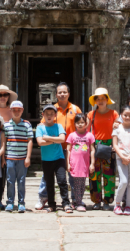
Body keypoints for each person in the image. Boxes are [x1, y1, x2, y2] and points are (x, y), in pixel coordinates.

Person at [36, 82, 83, 210]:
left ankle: (74, 200)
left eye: (64, 92)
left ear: (69, 93)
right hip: (53, 149)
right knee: (47, 178)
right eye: (59, 92)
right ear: (56, 94)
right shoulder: (51, 109)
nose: (62, 94)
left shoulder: (75, 109)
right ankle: (43, 198)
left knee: (69, 176)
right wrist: (53, 140)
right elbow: (42, 127)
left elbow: (82, 124)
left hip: (70, 147)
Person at [87, 87, 119, 210]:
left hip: (109, 145)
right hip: (95, 145)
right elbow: (87, 131)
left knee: (109, 175)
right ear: (95, 101)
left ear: (107, 100)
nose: (100, 101)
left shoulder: (114, 113)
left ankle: (107, 201)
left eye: (102, 98)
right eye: (98, 99)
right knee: (94, 175)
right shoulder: (91, 114)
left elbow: (119, 130)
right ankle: (96, 201)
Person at [35, 104, 72, 213]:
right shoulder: (40, 127)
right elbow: (40, 142)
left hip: (59, 158)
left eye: (52, 114)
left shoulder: (58, 126)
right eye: (47, 114)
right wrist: (54, 139)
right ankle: (52, 204)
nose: (49, 116)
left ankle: (66, 203)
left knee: (62, 181)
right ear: (43, 115)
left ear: (55, 115)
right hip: (46, 159)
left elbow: (62, 139)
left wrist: (47, 137)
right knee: (49, 183)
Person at [3, 100, 33, 213]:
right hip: (10, 157)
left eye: (18, 110)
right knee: (10, 180)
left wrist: (28, 157)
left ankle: (21, 202)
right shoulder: (6, 125)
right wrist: (3, 158)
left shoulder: (26, 124)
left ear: (22, 111)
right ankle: (10, 202)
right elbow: (4, 142)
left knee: (21, 181)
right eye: (14, 110)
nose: (16, 112)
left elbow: (29, 141)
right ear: (10, 111)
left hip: (22, 158)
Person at [113, 106, 130, 215]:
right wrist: (123, 156)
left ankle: (128, 205)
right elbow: (115, 144)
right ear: (121, 116)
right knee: (123, 181)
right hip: (120, 158)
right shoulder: (117, 128)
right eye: (125, 115)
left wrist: (129, 156)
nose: (127, 117)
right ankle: (117, 204)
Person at [65, 112, 95, 212]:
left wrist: (92, 164)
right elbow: (68, 150)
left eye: (82, 122)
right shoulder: (72, 135)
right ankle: (78, 203)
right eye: (78, 122)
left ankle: (77, 201)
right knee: (76, 184)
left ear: (86, 123)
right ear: (75, 124)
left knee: (82, 184)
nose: (80, 124)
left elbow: (92, 150)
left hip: (84, 164)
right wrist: (68, 163)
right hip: (75, 164)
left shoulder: (90, 135)